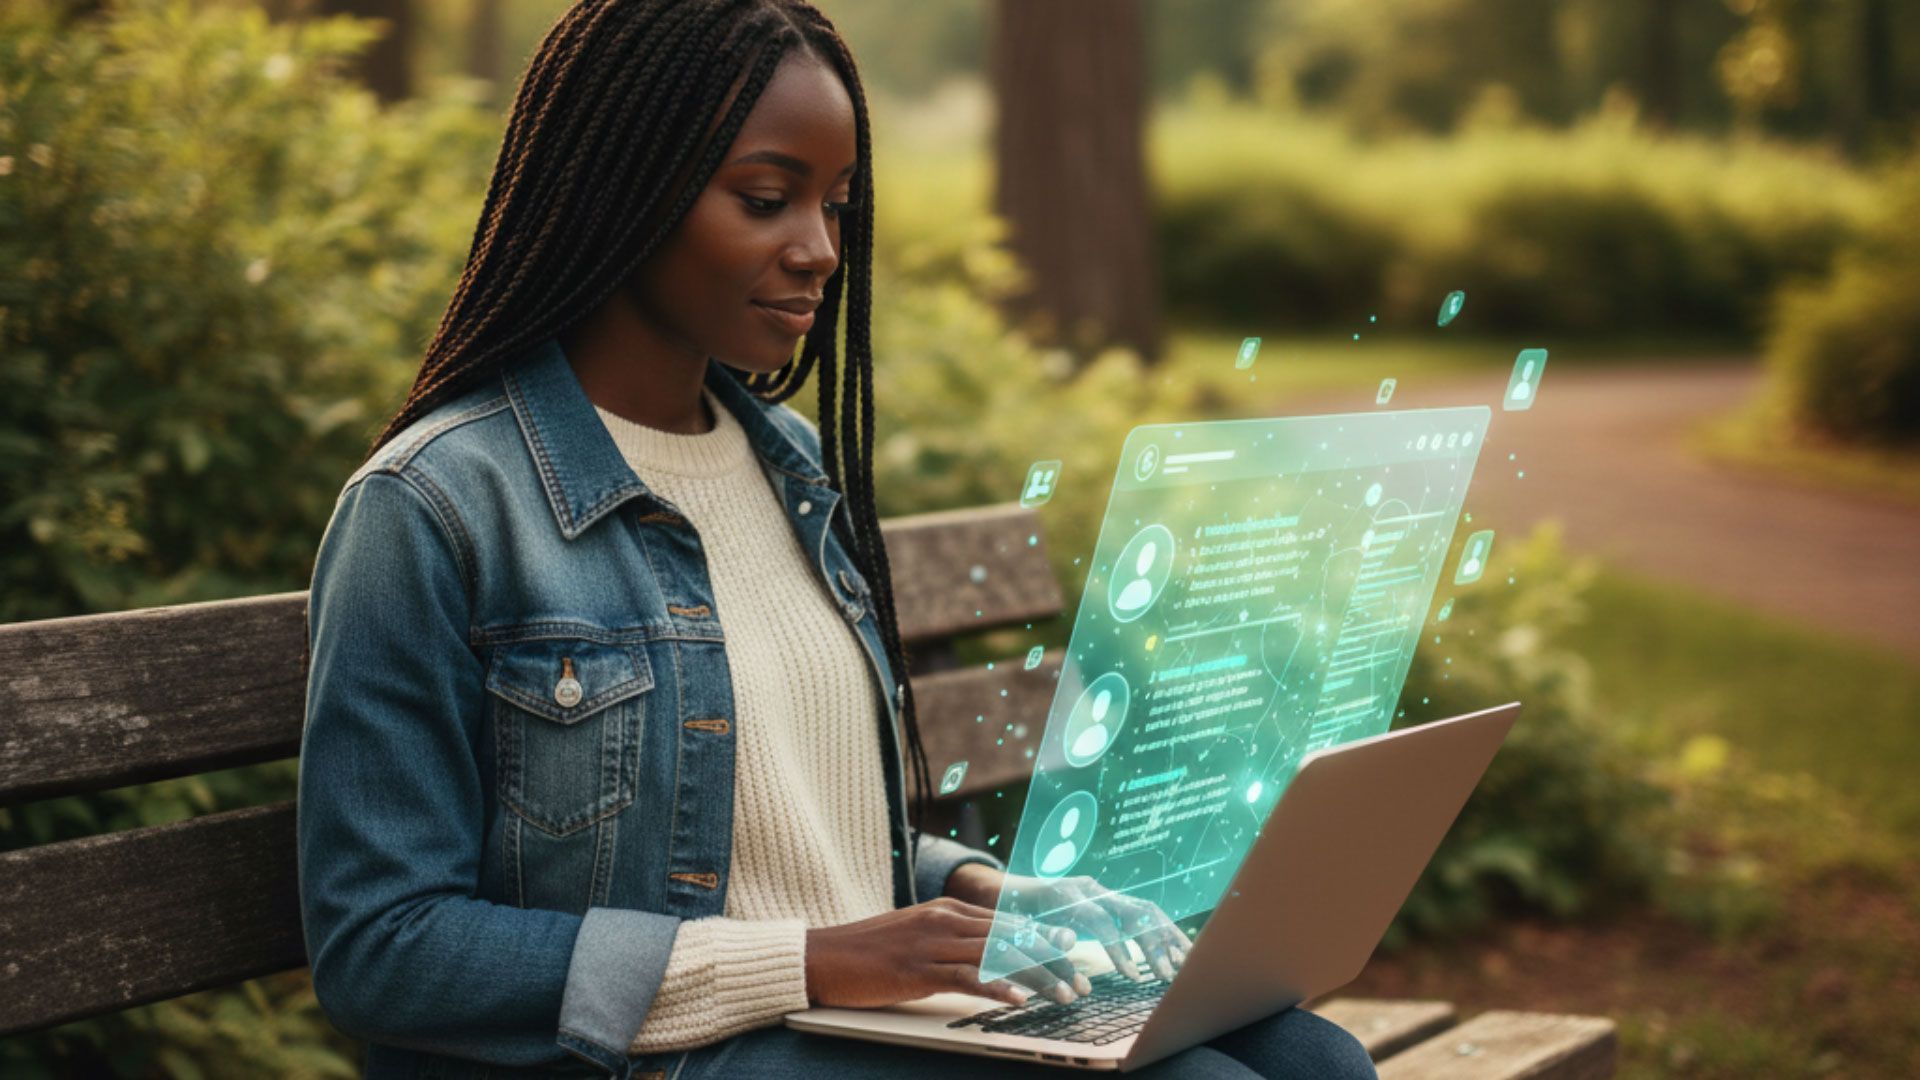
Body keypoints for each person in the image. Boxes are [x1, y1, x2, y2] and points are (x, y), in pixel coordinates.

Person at [296, 2, 1378, 1078]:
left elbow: (776, 838)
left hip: (838, 1029)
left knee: (1312, 1061)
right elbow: (382, 950)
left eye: (838, 204)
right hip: (663, 1057)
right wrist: (813, 963)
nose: (819, 250)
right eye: (766, 200)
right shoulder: (434, 509)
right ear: (619, 191)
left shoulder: (792, 466)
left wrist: (972, 889)